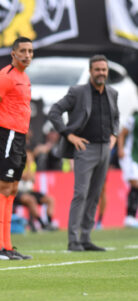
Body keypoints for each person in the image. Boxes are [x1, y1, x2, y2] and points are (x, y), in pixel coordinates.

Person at [48, 55, 119, 252]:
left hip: (106, 148)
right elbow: (54, 111)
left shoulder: (112, 93)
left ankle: (86, 238)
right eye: (97, 70)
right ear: (90, 71)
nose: (101, 73)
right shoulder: (77, 92)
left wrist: (114, 135)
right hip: (84, 149)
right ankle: (73, 240)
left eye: (104, 70)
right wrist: (69, 135)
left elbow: (116, 117)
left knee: (95, 194)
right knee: (81, 193)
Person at [0, 37, 34, 260]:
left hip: (18, 138)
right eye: (23, 51)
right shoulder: (5, 77)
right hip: (8, 136)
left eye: (30, 51)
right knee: (3, 188)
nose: (27, 55)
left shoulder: (25, 77)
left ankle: (7, 246)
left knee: (12, 191)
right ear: (13, 53)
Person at [116, 111, 138, 228]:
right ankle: (130, 217)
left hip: (136, 157)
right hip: (129, 155)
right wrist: (120, 149)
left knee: (135, 186)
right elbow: (122, 133)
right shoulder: (133, 119)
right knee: (135, 184)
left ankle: (131, 217)